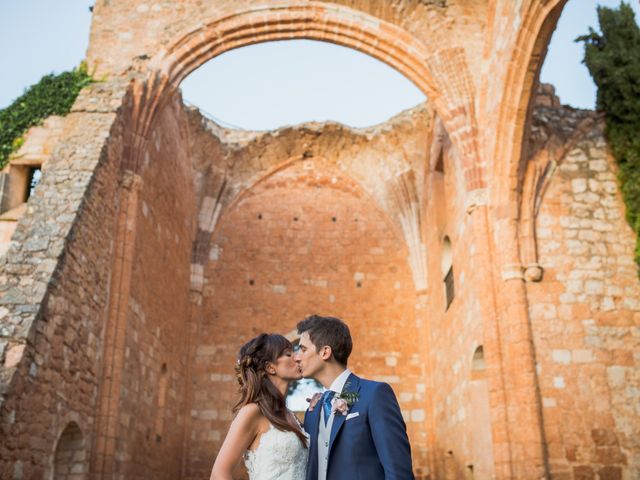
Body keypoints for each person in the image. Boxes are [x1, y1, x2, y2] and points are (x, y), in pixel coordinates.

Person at [294, 315, 414, 480]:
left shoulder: (374, 394)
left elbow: (398, 472)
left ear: (325, 352)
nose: (296, 357)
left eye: (303, 349)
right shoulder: (313, 410)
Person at [209, 333, 309, 480]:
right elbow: (219, 474)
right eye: (288, 354)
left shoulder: (291, 415)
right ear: (270, 367)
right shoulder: (253, 412)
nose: (296, 357)